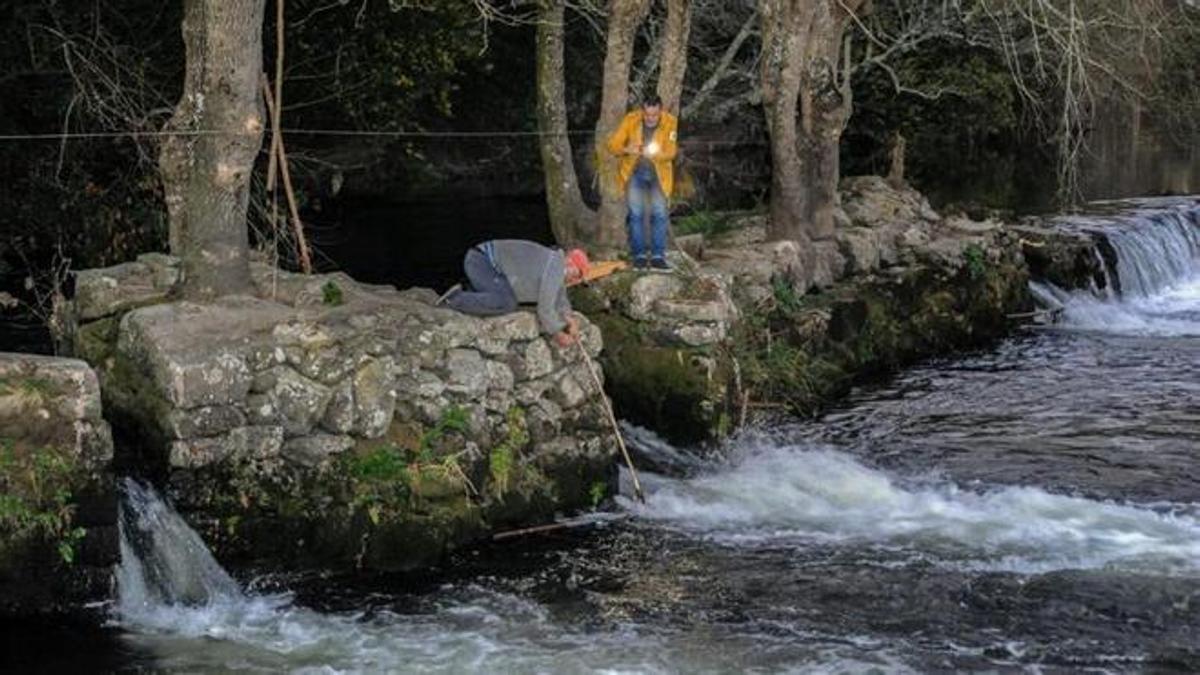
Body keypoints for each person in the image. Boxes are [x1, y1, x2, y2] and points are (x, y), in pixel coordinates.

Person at [438, 240, 589, 347]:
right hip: (483, 261)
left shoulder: (554, 265)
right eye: (578, 273)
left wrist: (570, 319)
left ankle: (470, 292)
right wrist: (558, 333)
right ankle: (454, 300)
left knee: (503, 296)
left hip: (482, 261)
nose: (577, 279)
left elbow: (560, 298)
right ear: (570, 263)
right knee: (506, 302)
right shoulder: (556, 267)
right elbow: (545, 309)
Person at [606, 94, 679, 270]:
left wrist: (655, 154)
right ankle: (638, 256)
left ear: (660, 111)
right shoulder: (631, 119)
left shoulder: (670, 122)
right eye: (647, 114)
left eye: (654, 114)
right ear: (642, 111)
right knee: (635, 214)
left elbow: (671, 152)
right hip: (634, 172)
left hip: (659, 174)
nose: (650, 118)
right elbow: (612, 145)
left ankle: (657, 257)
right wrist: (627, 148)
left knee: (660, 214)